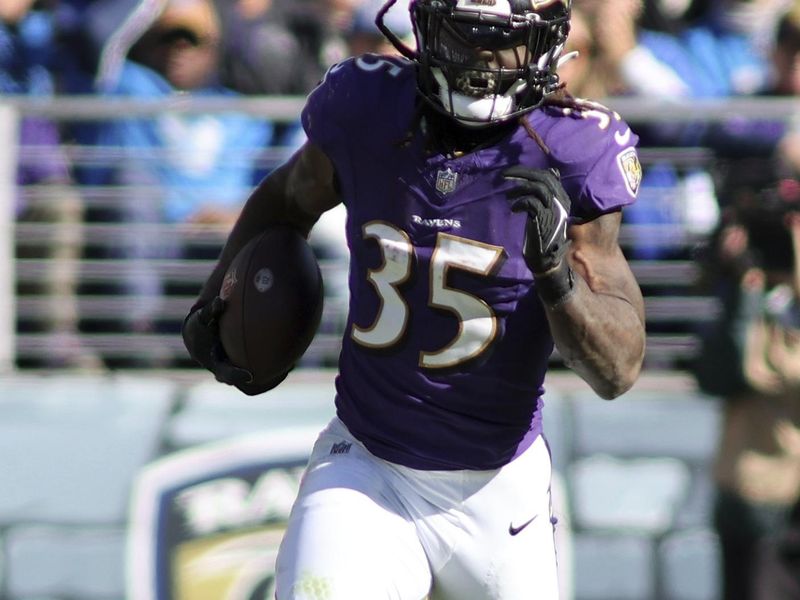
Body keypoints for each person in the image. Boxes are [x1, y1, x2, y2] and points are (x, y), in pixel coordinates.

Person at [182, 0, 646, 597]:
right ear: (427, 27)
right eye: (465, 34)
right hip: (371, 466)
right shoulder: (370, 109)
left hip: (498, 486)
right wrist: (219, 293)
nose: (483, 58)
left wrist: (557, 277)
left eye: (502, 40)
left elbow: (619, 368)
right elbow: (289, 197)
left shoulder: (572, 150)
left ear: (545, 44)